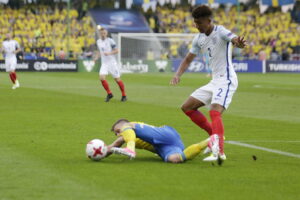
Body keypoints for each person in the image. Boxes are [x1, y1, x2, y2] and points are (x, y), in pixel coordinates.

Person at [170, 5, 247, 161]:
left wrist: (238, 42)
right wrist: (178, 74)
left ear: (209, 21)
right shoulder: (198, 38)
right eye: (195, 23)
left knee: (214, 111)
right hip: (215, 81)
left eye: (199, 23)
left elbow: (234, 39)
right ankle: (214, 139)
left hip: (226, 79)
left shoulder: (221, 31)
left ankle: (219, 152)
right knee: (187, 107)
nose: (196, 26)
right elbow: (188, 59)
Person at [106, 119, 220, 164]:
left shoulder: (130, 126)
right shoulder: (127, 135)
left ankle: (130, 150)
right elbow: (113, 146)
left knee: (128, 126)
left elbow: (116, 143)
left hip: (164, 134)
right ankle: (210, 140)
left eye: (117, 130)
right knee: (175, 159)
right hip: (166, 145)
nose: (118, 134)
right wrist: (100, 153)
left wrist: (101, 151)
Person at [94, 28, 127, 102]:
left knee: (117, 79)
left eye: (104, 33)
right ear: (100, 33)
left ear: (106, 33)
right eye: (102, 33)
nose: (103, 34)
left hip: (112, 63)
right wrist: (96, 57)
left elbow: (117, 50)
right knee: (102, 78)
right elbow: (99, 51)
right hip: (104, 63)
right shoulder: (98, 41)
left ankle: (124, 95)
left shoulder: (110, 41)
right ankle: (109, 93)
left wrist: (109, 53)